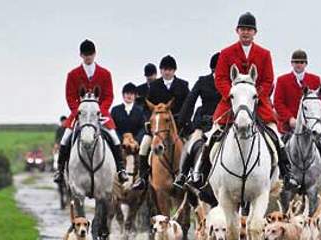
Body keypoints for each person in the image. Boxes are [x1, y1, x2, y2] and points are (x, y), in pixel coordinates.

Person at [187, 12, 300, 193]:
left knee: (276, 135)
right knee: (212, 135)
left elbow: (268, 80)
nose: (246, 33)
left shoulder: (264, 54)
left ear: (255, 32)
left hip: (258, 103)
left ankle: (288, 174)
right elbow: (221, 79)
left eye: (249, 30)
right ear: (237, 31)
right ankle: (199, 172)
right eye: (243, 29)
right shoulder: (226, 53)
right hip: (231, 103)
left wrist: (254, 95)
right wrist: (232, 95)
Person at [54, 39, 128, 184]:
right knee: (65, 138)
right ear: (81, 55)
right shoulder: (73, 74)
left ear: (95, 54)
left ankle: (120, 169)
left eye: (90, 54)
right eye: (85, 55)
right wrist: (77, 111)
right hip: (79, 113)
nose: (88, 57)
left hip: (100, 113)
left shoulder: (105, 73)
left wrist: (101, 110)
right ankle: (60, 170)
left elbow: (109, 96)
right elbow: (70, 97)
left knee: (114, 137)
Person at [274, 49, 321, 187]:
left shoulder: (315, 80)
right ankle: (279, 176)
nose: (299, 65)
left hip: (311, 125)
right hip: (288, 126)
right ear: (292, 63)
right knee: (278, 145)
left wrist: (312, 121)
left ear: (306, 63)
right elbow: (278, 102)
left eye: (301, 62)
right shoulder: (282, 80)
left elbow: (319, 102)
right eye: (296, 62)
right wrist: (290, 119)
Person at [132, 55, 190, 190]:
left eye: (169, 69)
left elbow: (188, 105)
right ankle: (143, 177)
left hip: (178, 125)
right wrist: (149, 121)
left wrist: (182, 120)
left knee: (192, 145)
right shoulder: (154, 86)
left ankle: (192, 176)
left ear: (174, 70)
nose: (167, 72)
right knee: (144, 145)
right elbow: (147, 107)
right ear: (161, 70)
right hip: (158, 126)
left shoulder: (183, 85)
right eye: (164, 69)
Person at [172, 52, 221, 189]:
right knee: (191, 143)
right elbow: (190, 101)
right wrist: (183, 121)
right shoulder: (203, 81)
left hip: (225, 122)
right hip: (204, 123)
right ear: (214, 68)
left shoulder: (230, 82)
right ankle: (184, 174)